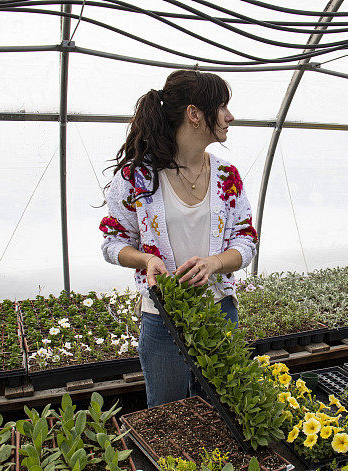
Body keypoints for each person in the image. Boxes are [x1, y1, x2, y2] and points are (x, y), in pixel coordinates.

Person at [99, 70, 258, 408]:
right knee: (168, 415)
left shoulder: (227, 176)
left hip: (219, 313)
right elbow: (113, 242)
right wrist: (147, 260)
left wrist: (215, 262)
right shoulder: (138, 177)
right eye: (222, 107)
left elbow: (246, 240)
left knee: (222, 411)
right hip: (162, 320)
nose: (230, 116)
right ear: (194, 113)